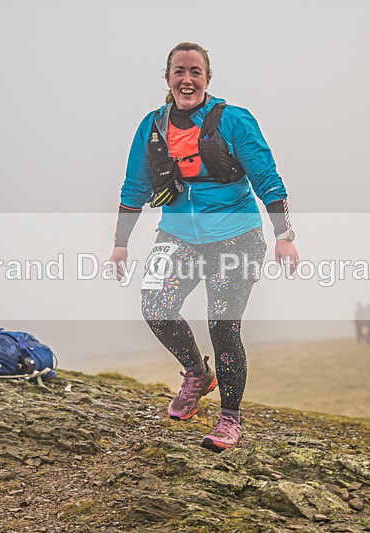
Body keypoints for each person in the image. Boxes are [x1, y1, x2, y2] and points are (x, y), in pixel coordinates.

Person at [109, 42, 299, 453]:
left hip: (238, 237)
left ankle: (229, 418)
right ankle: (197, 373)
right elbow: (135, 187)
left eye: (195, 71)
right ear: (168, 79)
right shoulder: (152, 127)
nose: (187, 79)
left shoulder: (234, 121)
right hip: (177, 237)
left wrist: (284, 237)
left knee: (222, 324)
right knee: (155, 307)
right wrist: (120, 243)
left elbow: (268, 178)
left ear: (207, 79)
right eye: (179, 71)